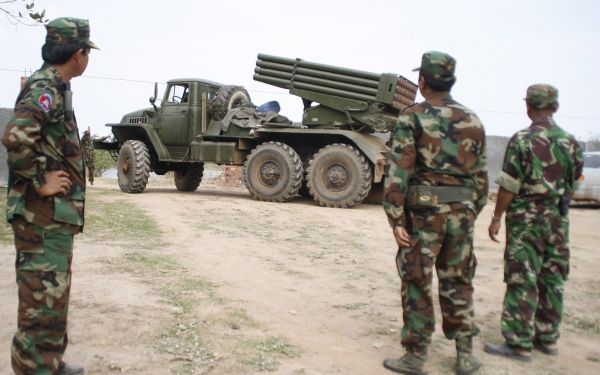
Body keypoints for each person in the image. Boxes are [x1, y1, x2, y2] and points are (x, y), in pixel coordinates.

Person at [1, 17, 98, 375]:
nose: (88, 58)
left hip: (51, 218)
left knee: (52, 299)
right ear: (78, 54)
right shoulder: (45, 87)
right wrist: (40, 180)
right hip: (38, 216)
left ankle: (49, 365)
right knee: (40, 303)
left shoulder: (55, 86)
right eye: (88, 52)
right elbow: (16, 138)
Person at [382, 51, 488, 375]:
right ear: (451, 81)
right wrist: (471, 212)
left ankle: (416, 355)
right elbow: (482, 180)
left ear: (422, 80)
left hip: (424, 216)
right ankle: (466, 355)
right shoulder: (473, 120)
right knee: (459, 279)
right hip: (463, 213)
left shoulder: (412, 116)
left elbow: (399, 170)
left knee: (416, 277)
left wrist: (396, 218)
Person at [484, 84, 583, 362]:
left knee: (522, 277)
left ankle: (519, 343)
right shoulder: (571, 142)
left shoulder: (522, 140)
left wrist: (496, 217)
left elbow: (509, 185)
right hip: (558, 222)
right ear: (554, 107)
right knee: (553, 278)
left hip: (526, 222)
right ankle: (548, 339)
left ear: (528, 105)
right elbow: (574, 183)